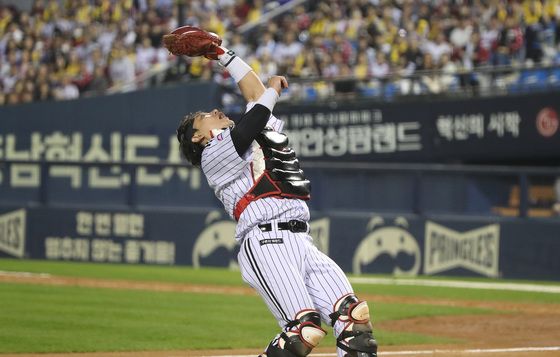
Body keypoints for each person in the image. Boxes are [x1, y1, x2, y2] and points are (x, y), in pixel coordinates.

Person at [176, 43, 378, 357]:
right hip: (265, 240)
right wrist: (270, 93)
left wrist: (222, 54)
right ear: (197, 138)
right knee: (302, 332)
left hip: (302, 240)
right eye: (205, 117)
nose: (216, 112)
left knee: (355, 323)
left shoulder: (252, 129)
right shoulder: (212, 154)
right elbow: (255, 114)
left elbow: (255, 97)